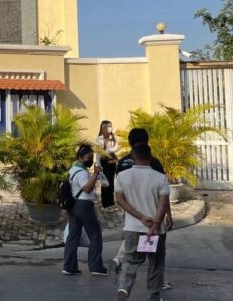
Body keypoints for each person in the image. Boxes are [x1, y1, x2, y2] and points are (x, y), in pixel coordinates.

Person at [111, 128, 173, 290]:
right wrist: (167, 216)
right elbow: (163, 198)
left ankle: (123, 285)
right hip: (153, 223)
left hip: (132, 219)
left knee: (132, 257)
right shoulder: (154, 163)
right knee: (155, 260)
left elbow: (120, 197)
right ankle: (154, 292)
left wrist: (135, 215)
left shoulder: (122, 163)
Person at [62, 144, 108, 276]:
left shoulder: (72, 169)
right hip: (84, 205)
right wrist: (95, 174)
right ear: (81, 158)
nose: (90, 160)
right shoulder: (82, 173)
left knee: (73, 236)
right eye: (88, 157)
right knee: (95, 235)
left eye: (92, 157)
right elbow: (87, 188)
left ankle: (69, 266)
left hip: (73, 205)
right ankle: (95, 266)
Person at [95, 120, 118, 210]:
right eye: (108, 126)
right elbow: (98, 154)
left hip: (112, 163)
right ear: (103, 128)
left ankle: (111, 203)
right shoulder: (99, 139)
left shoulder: (113, 138)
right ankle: (105, 204)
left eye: (111, 126)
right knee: (105, 183)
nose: (110, 128)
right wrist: (99, 165)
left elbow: (116, 148)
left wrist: (109, 151)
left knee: (111, 182)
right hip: (104, 163)